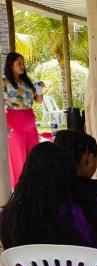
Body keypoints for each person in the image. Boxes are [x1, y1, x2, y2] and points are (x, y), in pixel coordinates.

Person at [3, 52, 43, 188]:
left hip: (30, 121)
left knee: (34, 155)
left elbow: (39, 100)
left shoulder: (26, 81)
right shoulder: (4, 82)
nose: (22, 66)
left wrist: (39, 88)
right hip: (13, 122)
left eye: (23, 63)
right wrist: (4, 127)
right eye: (19, 63)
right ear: (11, 64)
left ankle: (34, 187)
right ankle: (21, 190)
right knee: (19, 158)